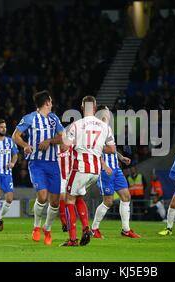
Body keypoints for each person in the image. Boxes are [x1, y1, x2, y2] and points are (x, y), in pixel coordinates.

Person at [62, 96, 116, 247]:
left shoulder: (76, 125)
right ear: (95, 108)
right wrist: (97, 149)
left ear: (81, 106)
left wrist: (63, 138)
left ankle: (73, 239)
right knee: (78, 197)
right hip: (95, 171)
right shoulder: (105, 126)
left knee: (69, 199)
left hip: (80, 167)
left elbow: (64, 147)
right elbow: (112, 149)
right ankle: (86, 227)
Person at [12, 91, 64, 245]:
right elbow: (16, 135)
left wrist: (49, 141)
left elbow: (63, 137)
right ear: (47, 102)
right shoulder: (30, 118)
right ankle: (36, 227)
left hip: (53, 163)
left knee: (55, 202)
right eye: (51, 100)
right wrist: (26, 145)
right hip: (36, 163)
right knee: (42, 196)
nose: (52, 103)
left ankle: (47, 229)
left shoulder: (54, 118)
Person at [91, 106, 141, 239]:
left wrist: (121, 157)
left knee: (126, 197)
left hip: (116, 169)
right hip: (105, 170)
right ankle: (94, 229)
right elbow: (95, 149)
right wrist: (103, 165)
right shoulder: (95, 130)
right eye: (107, 112)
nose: (109, 114)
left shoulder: (108, 129)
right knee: (108, 202)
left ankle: (126, 230)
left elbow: (112, 149)